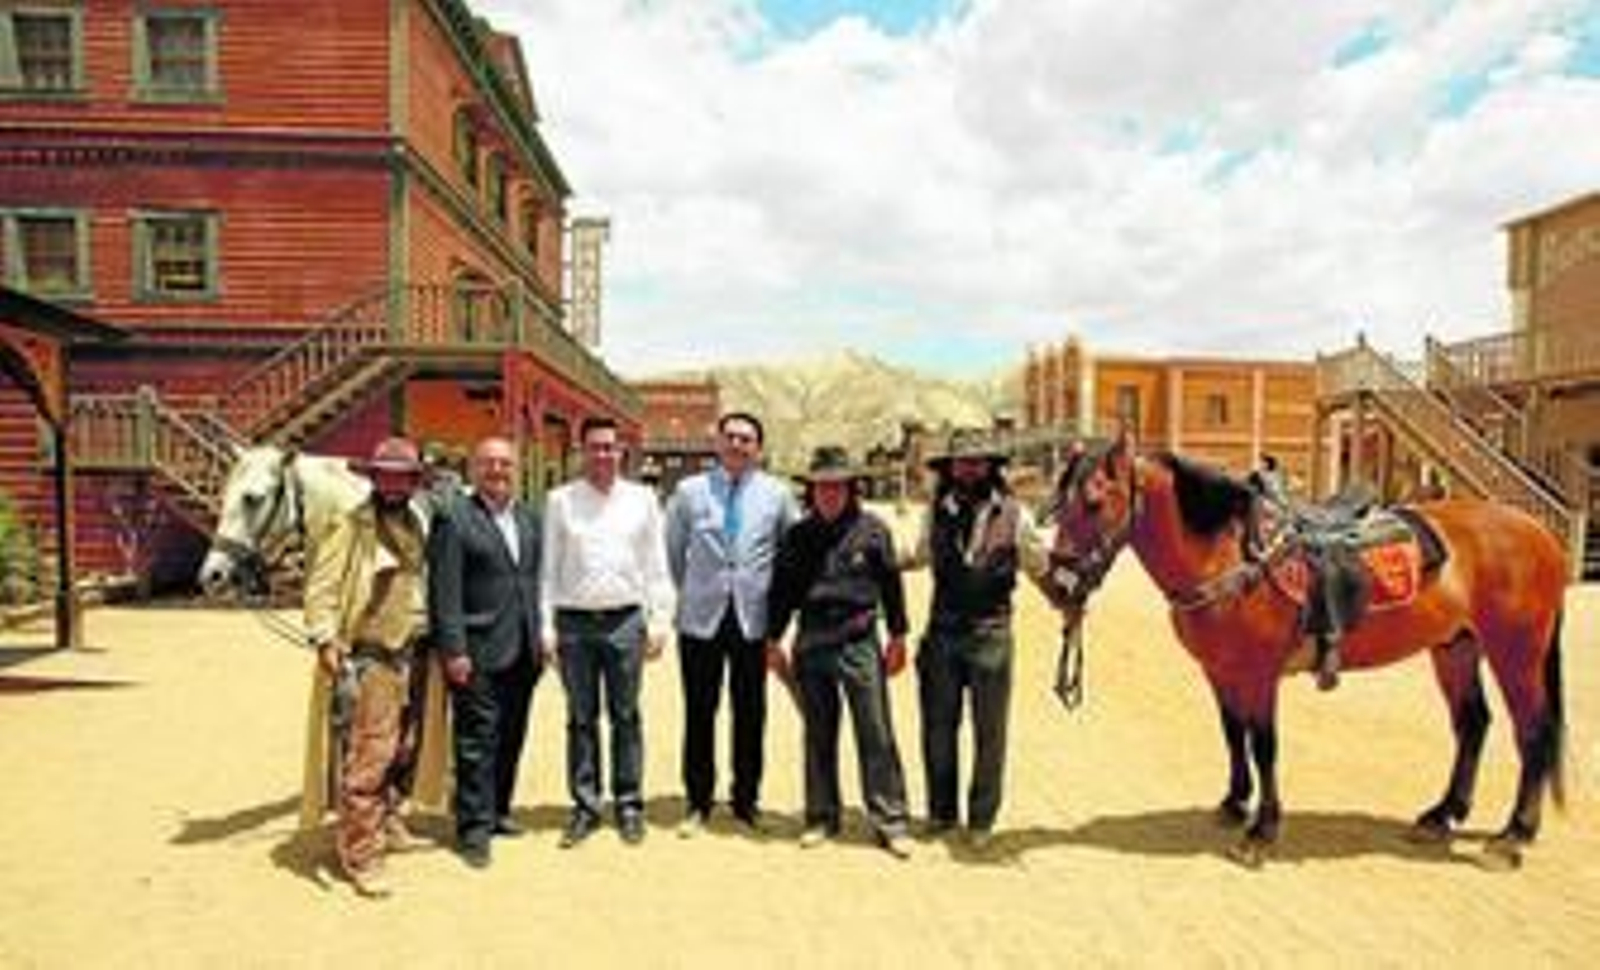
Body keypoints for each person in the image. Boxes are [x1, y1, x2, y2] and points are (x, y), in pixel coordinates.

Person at [303, 437, 443, 898]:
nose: (393, 483)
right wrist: (324, 636)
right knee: (371, 755)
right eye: (385, 475)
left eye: (401, 476)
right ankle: (361, 852)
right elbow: (322, 584)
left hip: (415, 650)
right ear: (374, 478)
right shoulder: (350, 523)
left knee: (406, 748)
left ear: (412, 480)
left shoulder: (418, 520)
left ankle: (387, 821)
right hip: (374, 653)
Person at [903, 428, 1051, 849]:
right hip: (943, 634)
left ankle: (981, 820)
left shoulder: (1015, 514)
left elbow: (1038, 564)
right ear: (949, 468)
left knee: (990, 733)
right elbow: (918, 555)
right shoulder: (936, 511)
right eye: (961, 461)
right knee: (938, 728)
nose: (969, 468)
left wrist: (1067, 596)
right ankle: (941, 813)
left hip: (991, 635)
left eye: (977, 461)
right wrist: (876, 564)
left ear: (991, 467)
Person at [768, 445, 914, 859]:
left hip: (859, 640)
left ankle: (890, 820)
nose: (829, 494)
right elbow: (783, 593)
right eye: (821, 487)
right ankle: (820, 816)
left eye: (838, 486)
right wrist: (772, 640)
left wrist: (898, 637)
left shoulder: (873, 530)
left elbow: (891, 586)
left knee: (876, 732)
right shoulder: (798, 536)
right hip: (812, 640)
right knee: (818, 733)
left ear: (851, 489)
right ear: (810, 491)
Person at [541, 416, 675, 848]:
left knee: (626, 716)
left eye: (610, 447)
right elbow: (548, 570)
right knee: (581, 719)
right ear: (581, 451)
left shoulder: (643, 500)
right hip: (575, 625)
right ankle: (585, 805)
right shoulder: (560, 501)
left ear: (622, 452)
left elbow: (656, 565)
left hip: (625, 623)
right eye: (594, 447)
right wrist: (547, 626)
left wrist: (659, 621)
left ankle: (629, 802)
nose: (603, 455)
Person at [664, 412, 800, 837]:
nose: (738, 445)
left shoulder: (777, 495)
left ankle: (746, 801)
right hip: (700, 619)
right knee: (700, 713)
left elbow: (789, 555)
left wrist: (778, 618)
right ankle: (698, 802)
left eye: (747, 439)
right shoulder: (689, 492)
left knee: (750, 713)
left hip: (752, 620)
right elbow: (672, 553)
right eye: (731, 437)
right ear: (717, 443)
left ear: (758, 448)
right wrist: (690, 594)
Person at [427, 436, 543, 869]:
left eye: (505, 464)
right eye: (489, 463)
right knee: (476, 741)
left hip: (523, 649)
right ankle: (472, 828)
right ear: (474, 469)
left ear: (517, 469)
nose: (498, 471)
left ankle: (497, 813)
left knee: (512, 735)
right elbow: (445, 591)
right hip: (475, 651)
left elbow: (533, 581)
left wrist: (542, 638)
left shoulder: (530, 518)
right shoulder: (455, 519)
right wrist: (453, 649)